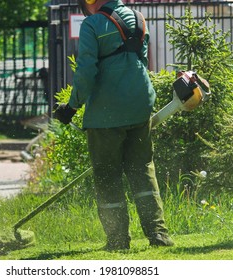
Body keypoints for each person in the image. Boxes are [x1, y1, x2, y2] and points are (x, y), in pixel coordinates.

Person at [54, 0, 173, 250]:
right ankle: (158, 234)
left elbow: (86, 71)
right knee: (142, 169)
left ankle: (118, 240)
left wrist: (71, 107)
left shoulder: (92, 24)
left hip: (107, 114)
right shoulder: (139, 19)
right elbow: (141, 62)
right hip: (140, 106)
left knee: (107, 175)